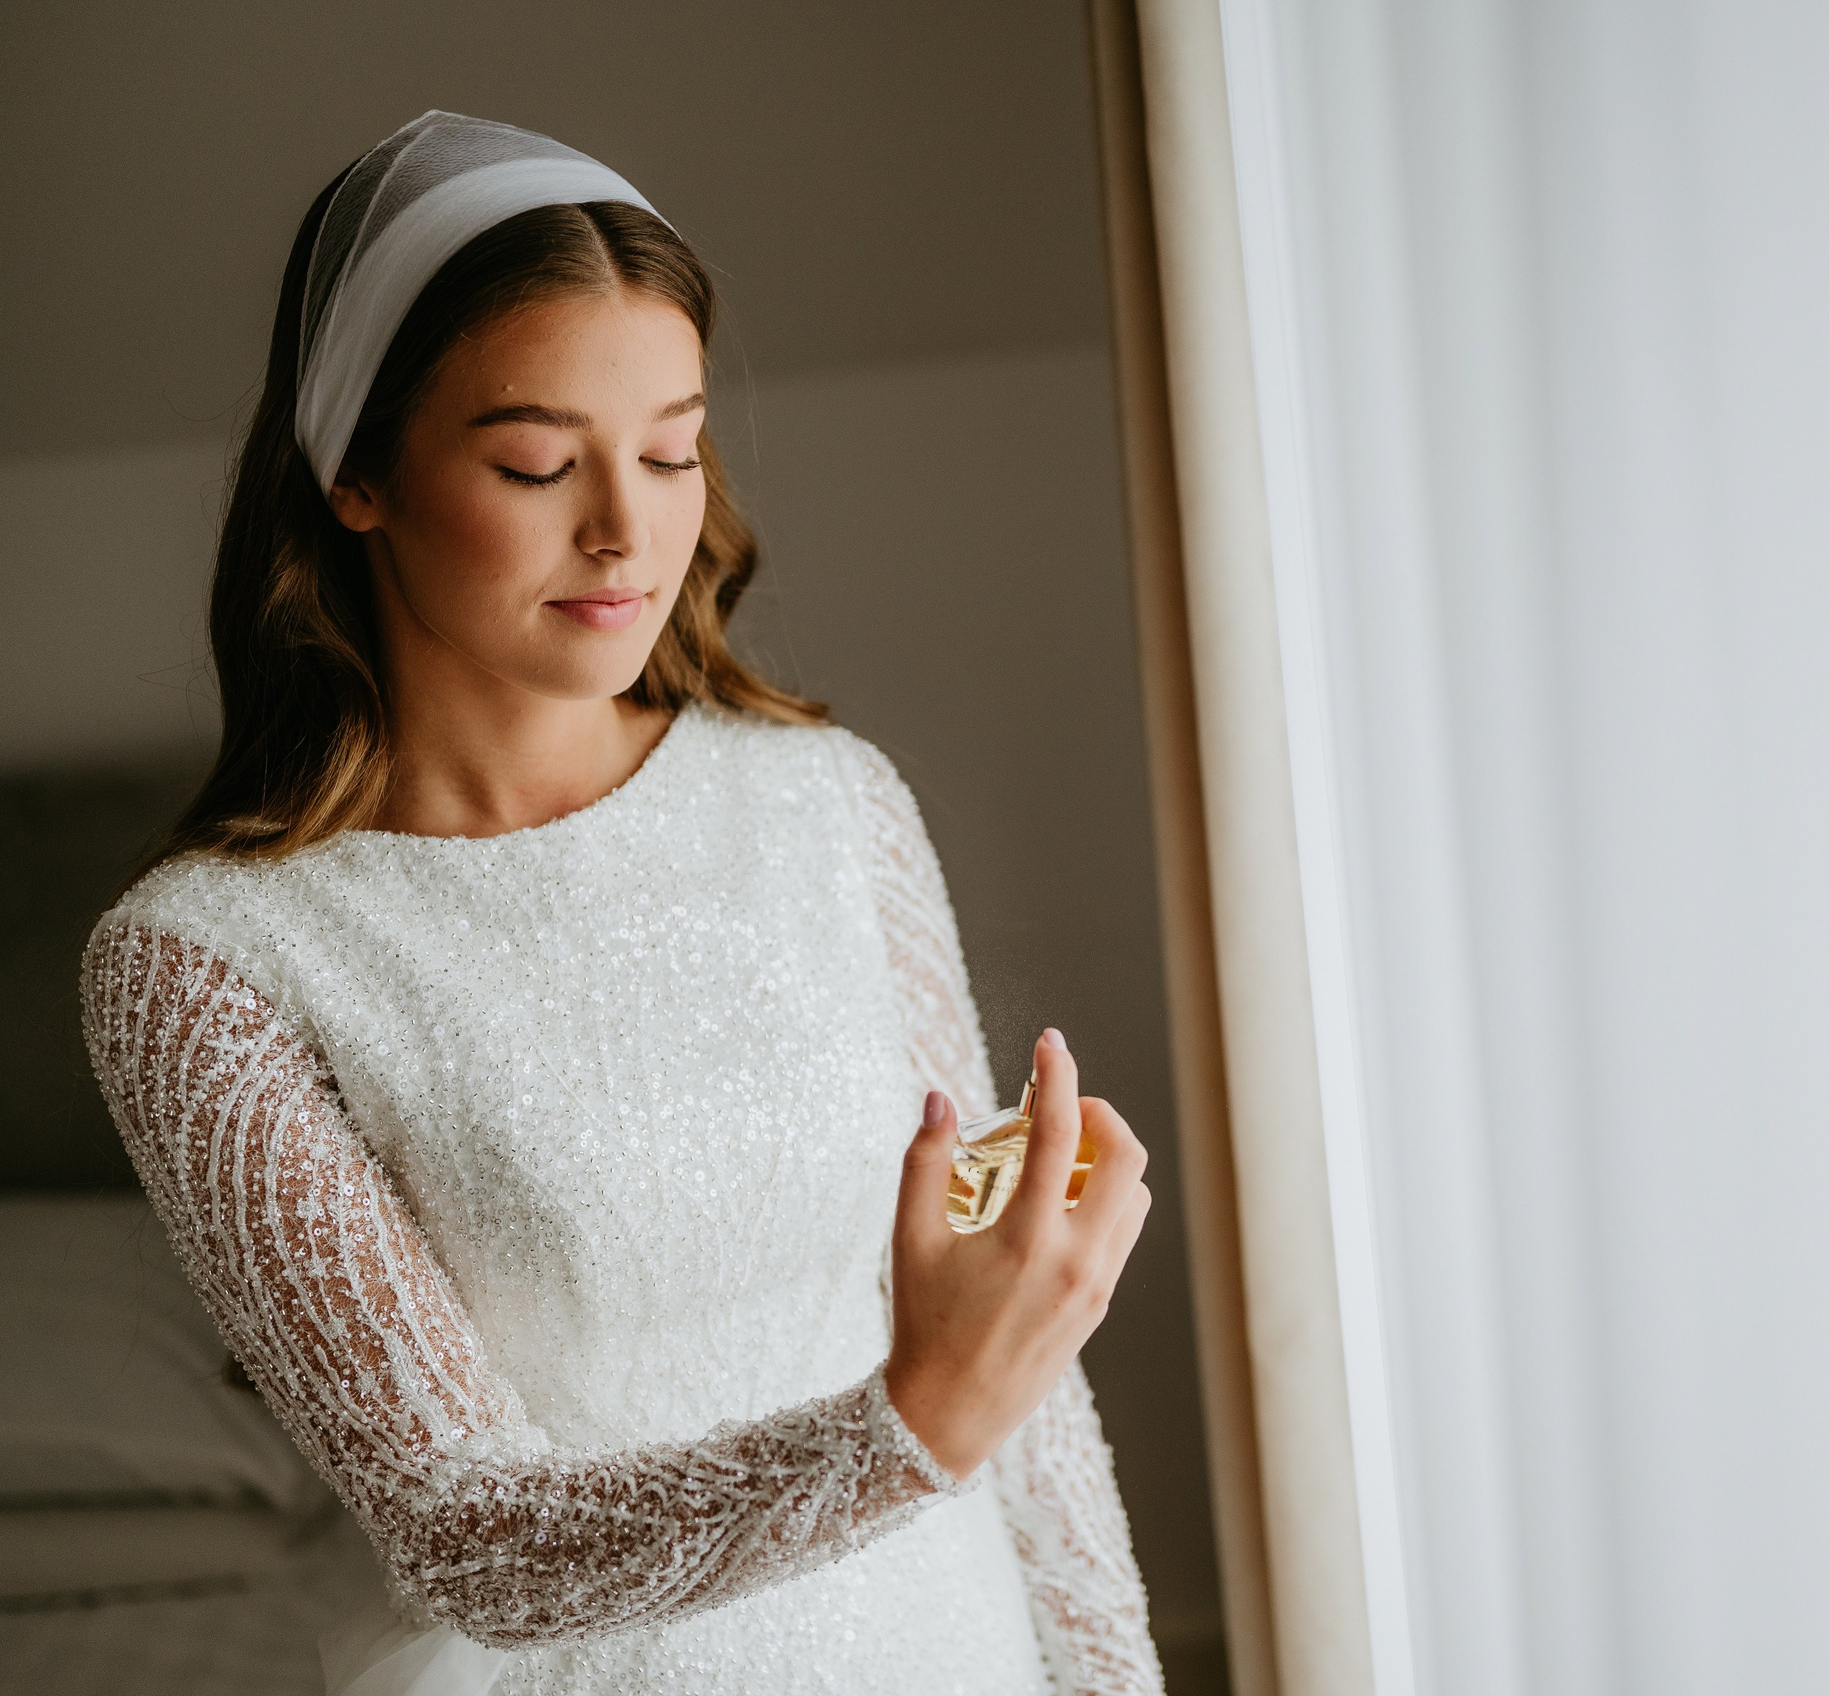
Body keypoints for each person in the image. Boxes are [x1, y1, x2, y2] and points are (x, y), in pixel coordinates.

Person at [79, 111, 1163, 1696]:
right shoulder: (202, 966)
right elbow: (468, 1538)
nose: (629, 528)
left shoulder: (832, 805)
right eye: (535, 461)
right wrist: (915, 1427)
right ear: (356, 474)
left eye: (672, 449)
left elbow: (1023, 1386)